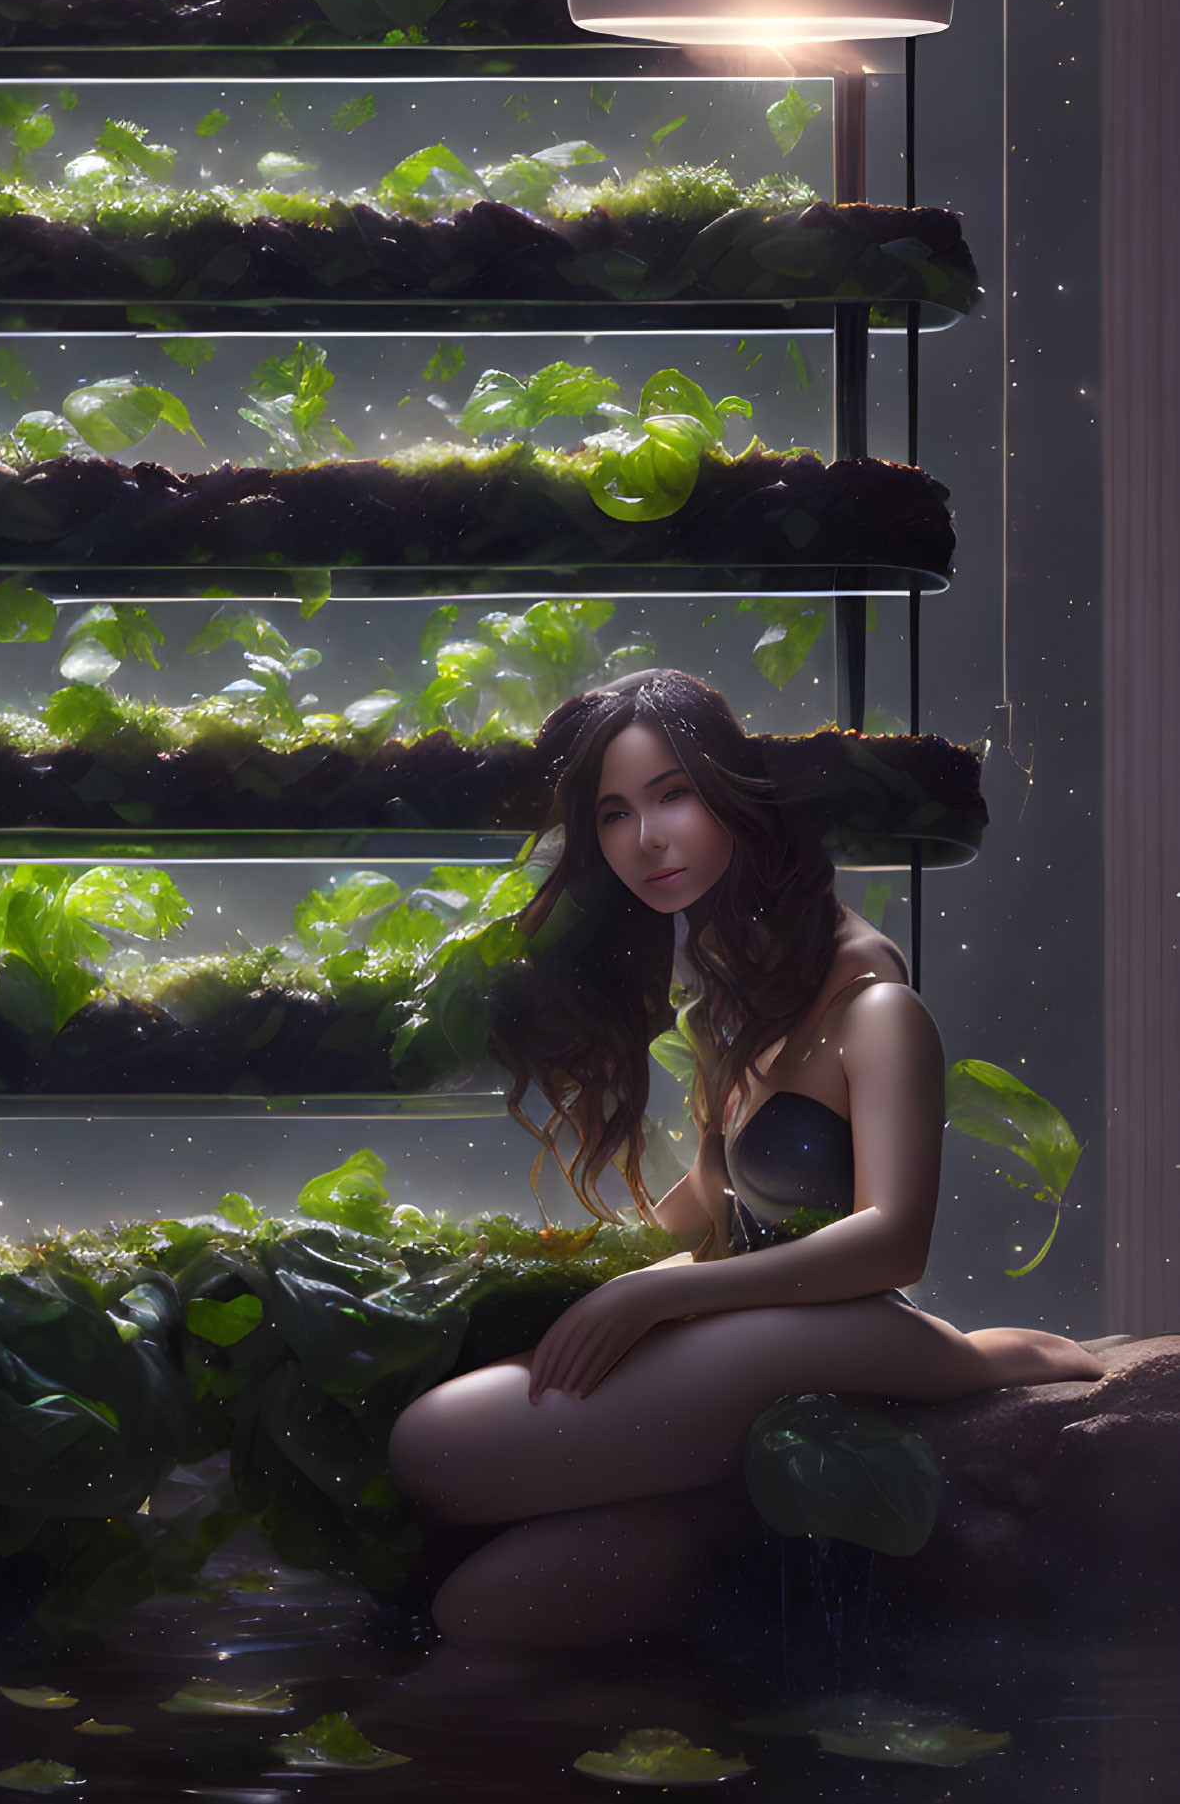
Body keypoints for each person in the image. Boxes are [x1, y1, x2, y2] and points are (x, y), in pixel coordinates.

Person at [386, 668, 1102, 1652]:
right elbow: (716, 1199)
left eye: (673, 793)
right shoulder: (737, 998)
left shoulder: (876, 1009)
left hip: (846, 1327)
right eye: (614, 812)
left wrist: (652, 1299)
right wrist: (560, 1266)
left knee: (439, 1445)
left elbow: (892, 1239)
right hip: (758, 1327)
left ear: (732, 790)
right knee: (481, 1608)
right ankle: (730, 1502)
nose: (646, 838)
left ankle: (981, 1362)